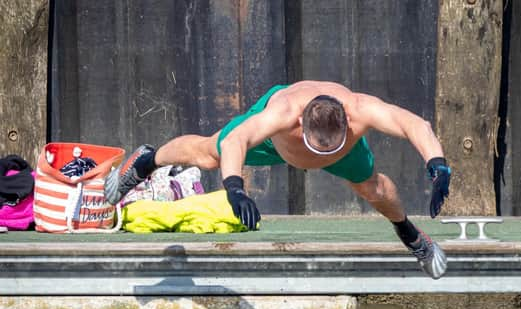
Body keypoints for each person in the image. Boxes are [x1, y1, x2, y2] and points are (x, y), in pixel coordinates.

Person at [105, 80, 451, 278]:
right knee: (211, 152)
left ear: (347, 122)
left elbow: (415, 125)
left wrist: (438, 165)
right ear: (301, 126)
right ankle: (147, 161)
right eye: (315, 148)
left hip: (345, 154)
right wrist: (235, 189)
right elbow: (237, 141)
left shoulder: (359, 109)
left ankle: (411, 235)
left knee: (372, 187)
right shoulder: (282, 114)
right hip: (275, 145)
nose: (316, 160)